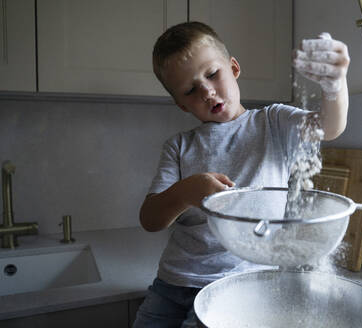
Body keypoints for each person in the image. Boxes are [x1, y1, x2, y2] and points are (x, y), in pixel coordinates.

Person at [133, 21, 350, 328]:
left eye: (212, 74)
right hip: (172, 284)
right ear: (181, 105)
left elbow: (328, 127)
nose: (207, 91)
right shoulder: (179, 146)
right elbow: (150, 219)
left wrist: (335, 85)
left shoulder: (273, 122)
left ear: (233, 68)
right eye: (191, 90)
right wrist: (186, 192)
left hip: (242, 288)